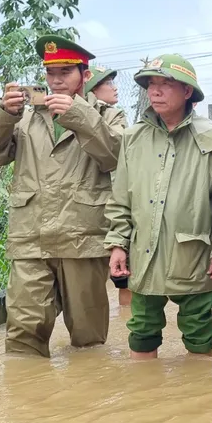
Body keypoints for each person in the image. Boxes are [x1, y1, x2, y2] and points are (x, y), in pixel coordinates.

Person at [0, 35, 126, 357]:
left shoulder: (108, 115)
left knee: (89, 341)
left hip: (83, 239)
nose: (56, 80)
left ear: (85, 76)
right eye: (51, 73)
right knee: (22, 336)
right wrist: (4, 113)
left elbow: (114, 157)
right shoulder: (28, 116)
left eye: (65, 72)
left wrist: (78, 115)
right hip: (32, 237)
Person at [104, 54, 212, 359]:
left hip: (194, 254)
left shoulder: (211, 138)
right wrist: (118, 244)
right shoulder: (133, 138)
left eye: (165, 84)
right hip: (143, 254)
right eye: (151, 84)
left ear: (187, 92)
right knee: (142, 329)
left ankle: (200, 400)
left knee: (199, 329)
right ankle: (146, 399)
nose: (155, 91)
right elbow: (121, 198)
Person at [83, 64, 132, 306]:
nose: (114, 88)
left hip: (117, 210)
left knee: (123, 277)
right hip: (91, 216)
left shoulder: (115, 117)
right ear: (91, 89)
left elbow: (116, 149)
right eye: (108, 83)